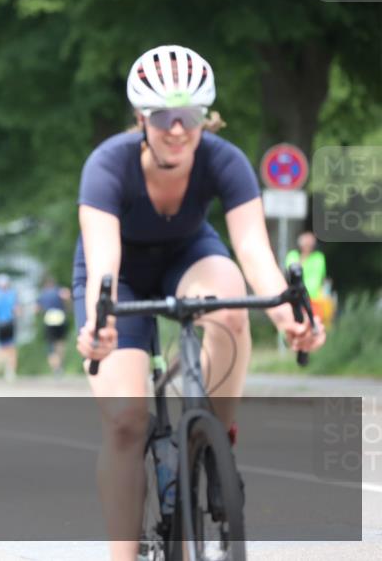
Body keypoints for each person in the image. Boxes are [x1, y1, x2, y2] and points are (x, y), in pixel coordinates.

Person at [73, 44, 326, 561]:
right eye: (162, 116)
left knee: (231, 308)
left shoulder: (224, 160)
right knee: (125, 422)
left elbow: (255, 253)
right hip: (119, 274)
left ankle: (214, 434)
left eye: (188, 116)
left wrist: (288, 319)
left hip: (190, 254)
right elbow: (103, 257)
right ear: (141, 118)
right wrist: (99, 326)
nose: (176, 129)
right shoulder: (108, 165)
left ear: (205, 117)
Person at [285, 231, 331, 325]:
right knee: (296, 325)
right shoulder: (292, 255)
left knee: (314, 326)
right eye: (306, 241)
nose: (308, 244)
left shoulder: (318, 257)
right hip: (295, 298)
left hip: (314, 299)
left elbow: (321, 277)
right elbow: (291, 272)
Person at [36, 274, 71, 375]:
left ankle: (56, 368)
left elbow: (37, 308)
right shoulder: (59, 290)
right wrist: (67, 308)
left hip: (49, 319)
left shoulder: (43, 294)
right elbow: (67, 297)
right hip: (60, 317)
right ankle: (60, 364)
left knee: (50, 346)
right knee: (60, 343)